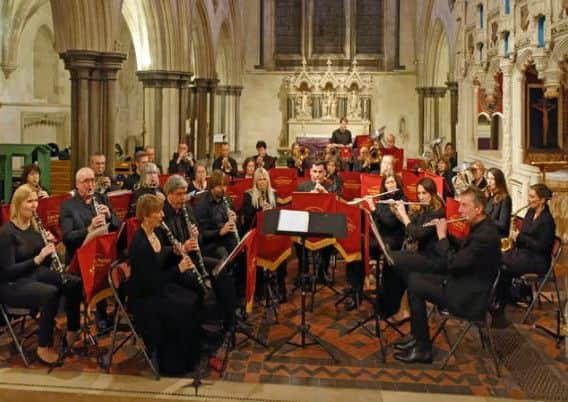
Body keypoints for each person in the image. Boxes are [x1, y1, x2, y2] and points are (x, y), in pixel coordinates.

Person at [394, 186, 500, 363]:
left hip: (469, 297)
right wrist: (447, 235)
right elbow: (465, 253)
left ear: (478, 209)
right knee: (414, 279)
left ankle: (423, 349)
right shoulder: (480, 226)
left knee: (415, 285)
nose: (459, 210)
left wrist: (442, 237)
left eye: (464, 205)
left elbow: (454, 264)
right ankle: (417, 338)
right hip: (464, 282)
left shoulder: (485, 235)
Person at [0, 184, 82, 364]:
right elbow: (7, 272)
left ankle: (72, 331)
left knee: (74, 283)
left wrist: (48, 250)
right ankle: (43, 347)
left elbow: (43, 263)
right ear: (18, 204)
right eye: (29, 201)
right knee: (49, 293)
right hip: (12, 285)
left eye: (36, 200)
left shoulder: (35, 226)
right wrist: (37, 259)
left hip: (34, 274)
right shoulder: (7, 233)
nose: (34, 205)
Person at [127, 194, 203, 375]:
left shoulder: (153, 234)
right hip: (146, 298)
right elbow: (152, 281)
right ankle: (174, 364)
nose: (162, 215)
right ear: (146, 216)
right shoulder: (140, 244)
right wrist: (179, 269)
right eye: (158, 212)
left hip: (158, 288)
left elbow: (159, 259)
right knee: (183, 307)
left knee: (193, 298)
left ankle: (191, 355)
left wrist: (175, 251)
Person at [158, 175, 237, 334]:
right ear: (169, 194)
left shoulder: (186, 209)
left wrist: (195, 236)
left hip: (192, 258)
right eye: (179, 194)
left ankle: (229, 320)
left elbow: (199, 239)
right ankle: (199, 326)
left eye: (184, 193)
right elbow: (161, 250)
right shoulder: (162, 214)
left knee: (221, 269)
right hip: (175, 265)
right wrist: (183, 248)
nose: (183, 198)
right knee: (196, 283)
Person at [59, 167, 121, 331]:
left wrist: (109, 216)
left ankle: (111, 314)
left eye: (92, 180)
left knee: (123, 267)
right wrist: (89, 228)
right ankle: (98, 316)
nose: (90, 184)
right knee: (99, 271)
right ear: (77, 184)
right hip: (80, 258)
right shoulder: (68, 206)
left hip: (103, 254)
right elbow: (67, 238)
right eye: (86, 181)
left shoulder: (102, 199)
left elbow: (118, 225)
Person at [385, 177, 446, 318]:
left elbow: (418, 234)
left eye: (424, 193)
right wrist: (398, 213)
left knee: (396, 263)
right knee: (391, 259)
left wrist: (404, 214)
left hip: (432, 258)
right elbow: (413, 226)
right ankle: (395, 306)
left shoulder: (438, 212)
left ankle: (400, 307)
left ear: (433, 193)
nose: (421, 197)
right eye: (418, 193)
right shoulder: (426, 209)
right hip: (422, 253)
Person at [499, 184, 555, 303]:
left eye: (532, 197)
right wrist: (515, 238)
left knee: (502, 262)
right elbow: (524, 235)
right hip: (525, 254)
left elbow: (543, 247)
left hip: (538, 261)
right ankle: (508, 296)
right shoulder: (530, 212)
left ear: (542, 200)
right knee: (498, 258)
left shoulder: (547, 221)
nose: (529, 200)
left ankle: (512, 296)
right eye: (529, 196)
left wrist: (521, 237)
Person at [241, 168, 287, 302]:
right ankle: (260, 288)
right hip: (257, 234)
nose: (262, 182)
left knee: (282, 248)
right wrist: (260, 211)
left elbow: (278, 216)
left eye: (264, 179)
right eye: (259, 179)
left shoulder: (274, 194)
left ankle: (280, 286)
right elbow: (248, 220)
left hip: (271, 233)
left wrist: (270, 211)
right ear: (255, 181)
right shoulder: (249, 195)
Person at [485, 167, 512, 237]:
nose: (489, 181)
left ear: (499, 181)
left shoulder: (505, 199)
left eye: (492, 179)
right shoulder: (490, 196)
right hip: (487, 232)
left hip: (496, 236)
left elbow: (502, 225)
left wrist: (485, 217)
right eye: (488, 178)